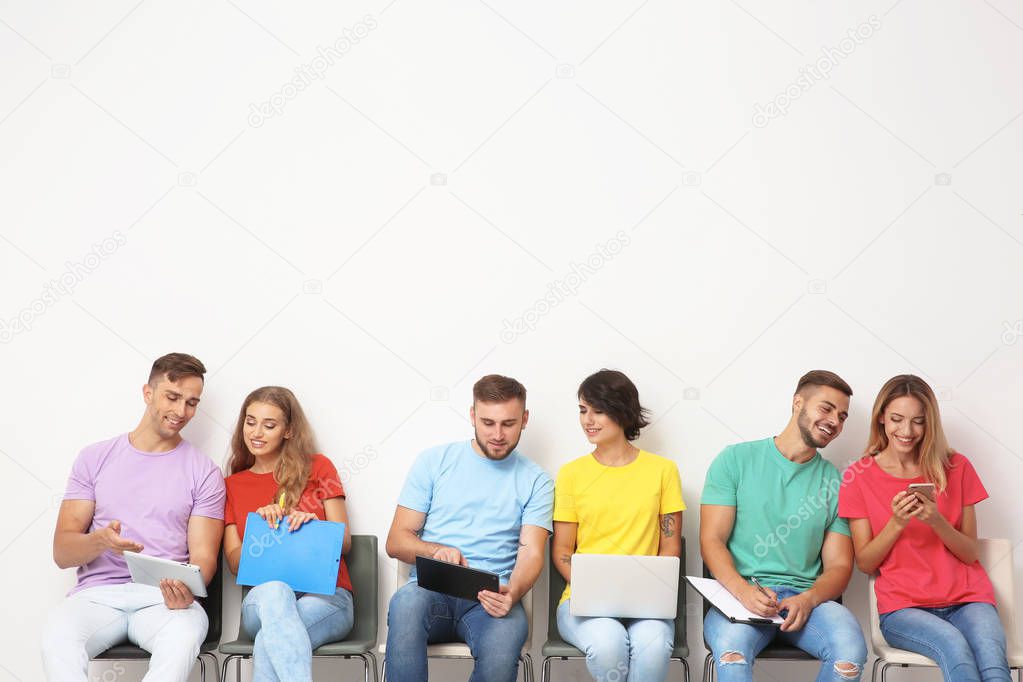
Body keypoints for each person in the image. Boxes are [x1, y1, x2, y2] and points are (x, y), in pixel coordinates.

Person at [41, 353, 226, 682]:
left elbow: (204, 557)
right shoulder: (94, 458)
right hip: (97, 597)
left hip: (164, 601)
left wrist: (189, 588)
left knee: (182, 639)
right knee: (57, 636)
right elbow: (62, 552)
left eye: (192, 402)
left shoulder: (204, 473)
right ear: (148, 393)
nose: (181, 412)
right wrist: (100, 541)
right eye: (172, 397)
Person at [383, 374, 554, 682]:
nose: (498, 434)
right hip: (430, 591)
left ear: (525, 419)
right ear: (473, 415)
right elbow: (396, 541)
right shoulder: (434, 461)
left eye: (508, 423)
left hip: (492, 596)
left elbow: (532, 552)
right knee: (406, 604)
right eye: (488, 422)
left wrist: (512, 593)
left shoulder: (536, 480)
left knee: (503, 645)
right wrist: (436, 550)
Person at [839, 375, 1009, 682]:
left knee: (994, 667)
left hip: (969, 599)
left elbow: (970, 552)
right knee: (955, 649)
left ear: (929, 423)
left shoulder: (957, 467)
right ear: (881, 418)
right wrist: (897, 523)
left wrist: (936, 521)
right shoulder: (858, 476)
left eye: (918, 421)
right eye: (897, 419)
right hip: (903, 609)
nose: (907, 431)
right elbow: (865, 563)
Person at [700, 370, 867, 681]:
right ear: (798, 403)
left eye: (842, 416)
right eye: (826, 408)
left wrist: (809, 598)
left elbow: (839, 566)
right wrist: (743, 592)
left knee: (850, 655)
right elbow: (711, 539)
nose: (834, 421)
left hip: (806, 602)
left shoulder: (836, 482)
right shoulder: (735, 460)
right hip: (742, 598)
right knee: (732, 654)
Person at [551, 369, 684, 682]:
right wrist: (596, 591)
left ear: (623, 413)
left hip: (648, 603)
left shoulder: (663, 471)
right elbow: (561, 552)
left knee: (652, 648)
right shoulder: (572, 474)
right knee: (609, 644)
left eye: (598, 410)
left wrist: (644, 591)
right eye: (583, 410)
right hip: (583, 603)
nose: (588, 420)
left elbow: (670, 545)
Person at [223, 386, 354, 682]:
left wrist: (312, 527)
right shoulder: (232, 485)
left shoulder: (319, 467)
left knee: (270, 640)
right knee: (276, 592)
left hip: (328, 597)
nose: (256, 432)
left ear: (288, 431)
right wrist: (263, 526)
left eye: (269, 425)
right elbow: (234, 563)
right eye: (250, 421)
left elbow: (344, 543)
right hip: (262, 601)